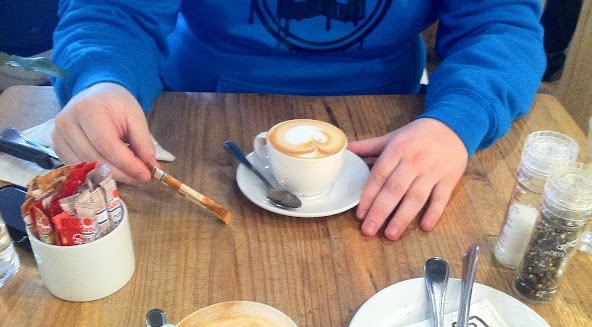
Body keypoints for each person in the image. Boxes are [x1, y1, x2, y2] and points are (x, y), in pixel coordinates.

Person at [50, 0, 546, 240]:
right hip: (195, 120)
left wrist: (458, 120)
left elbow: (501, 23)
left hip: (397, 131)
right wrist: (101, 78)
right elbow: (111, 11)